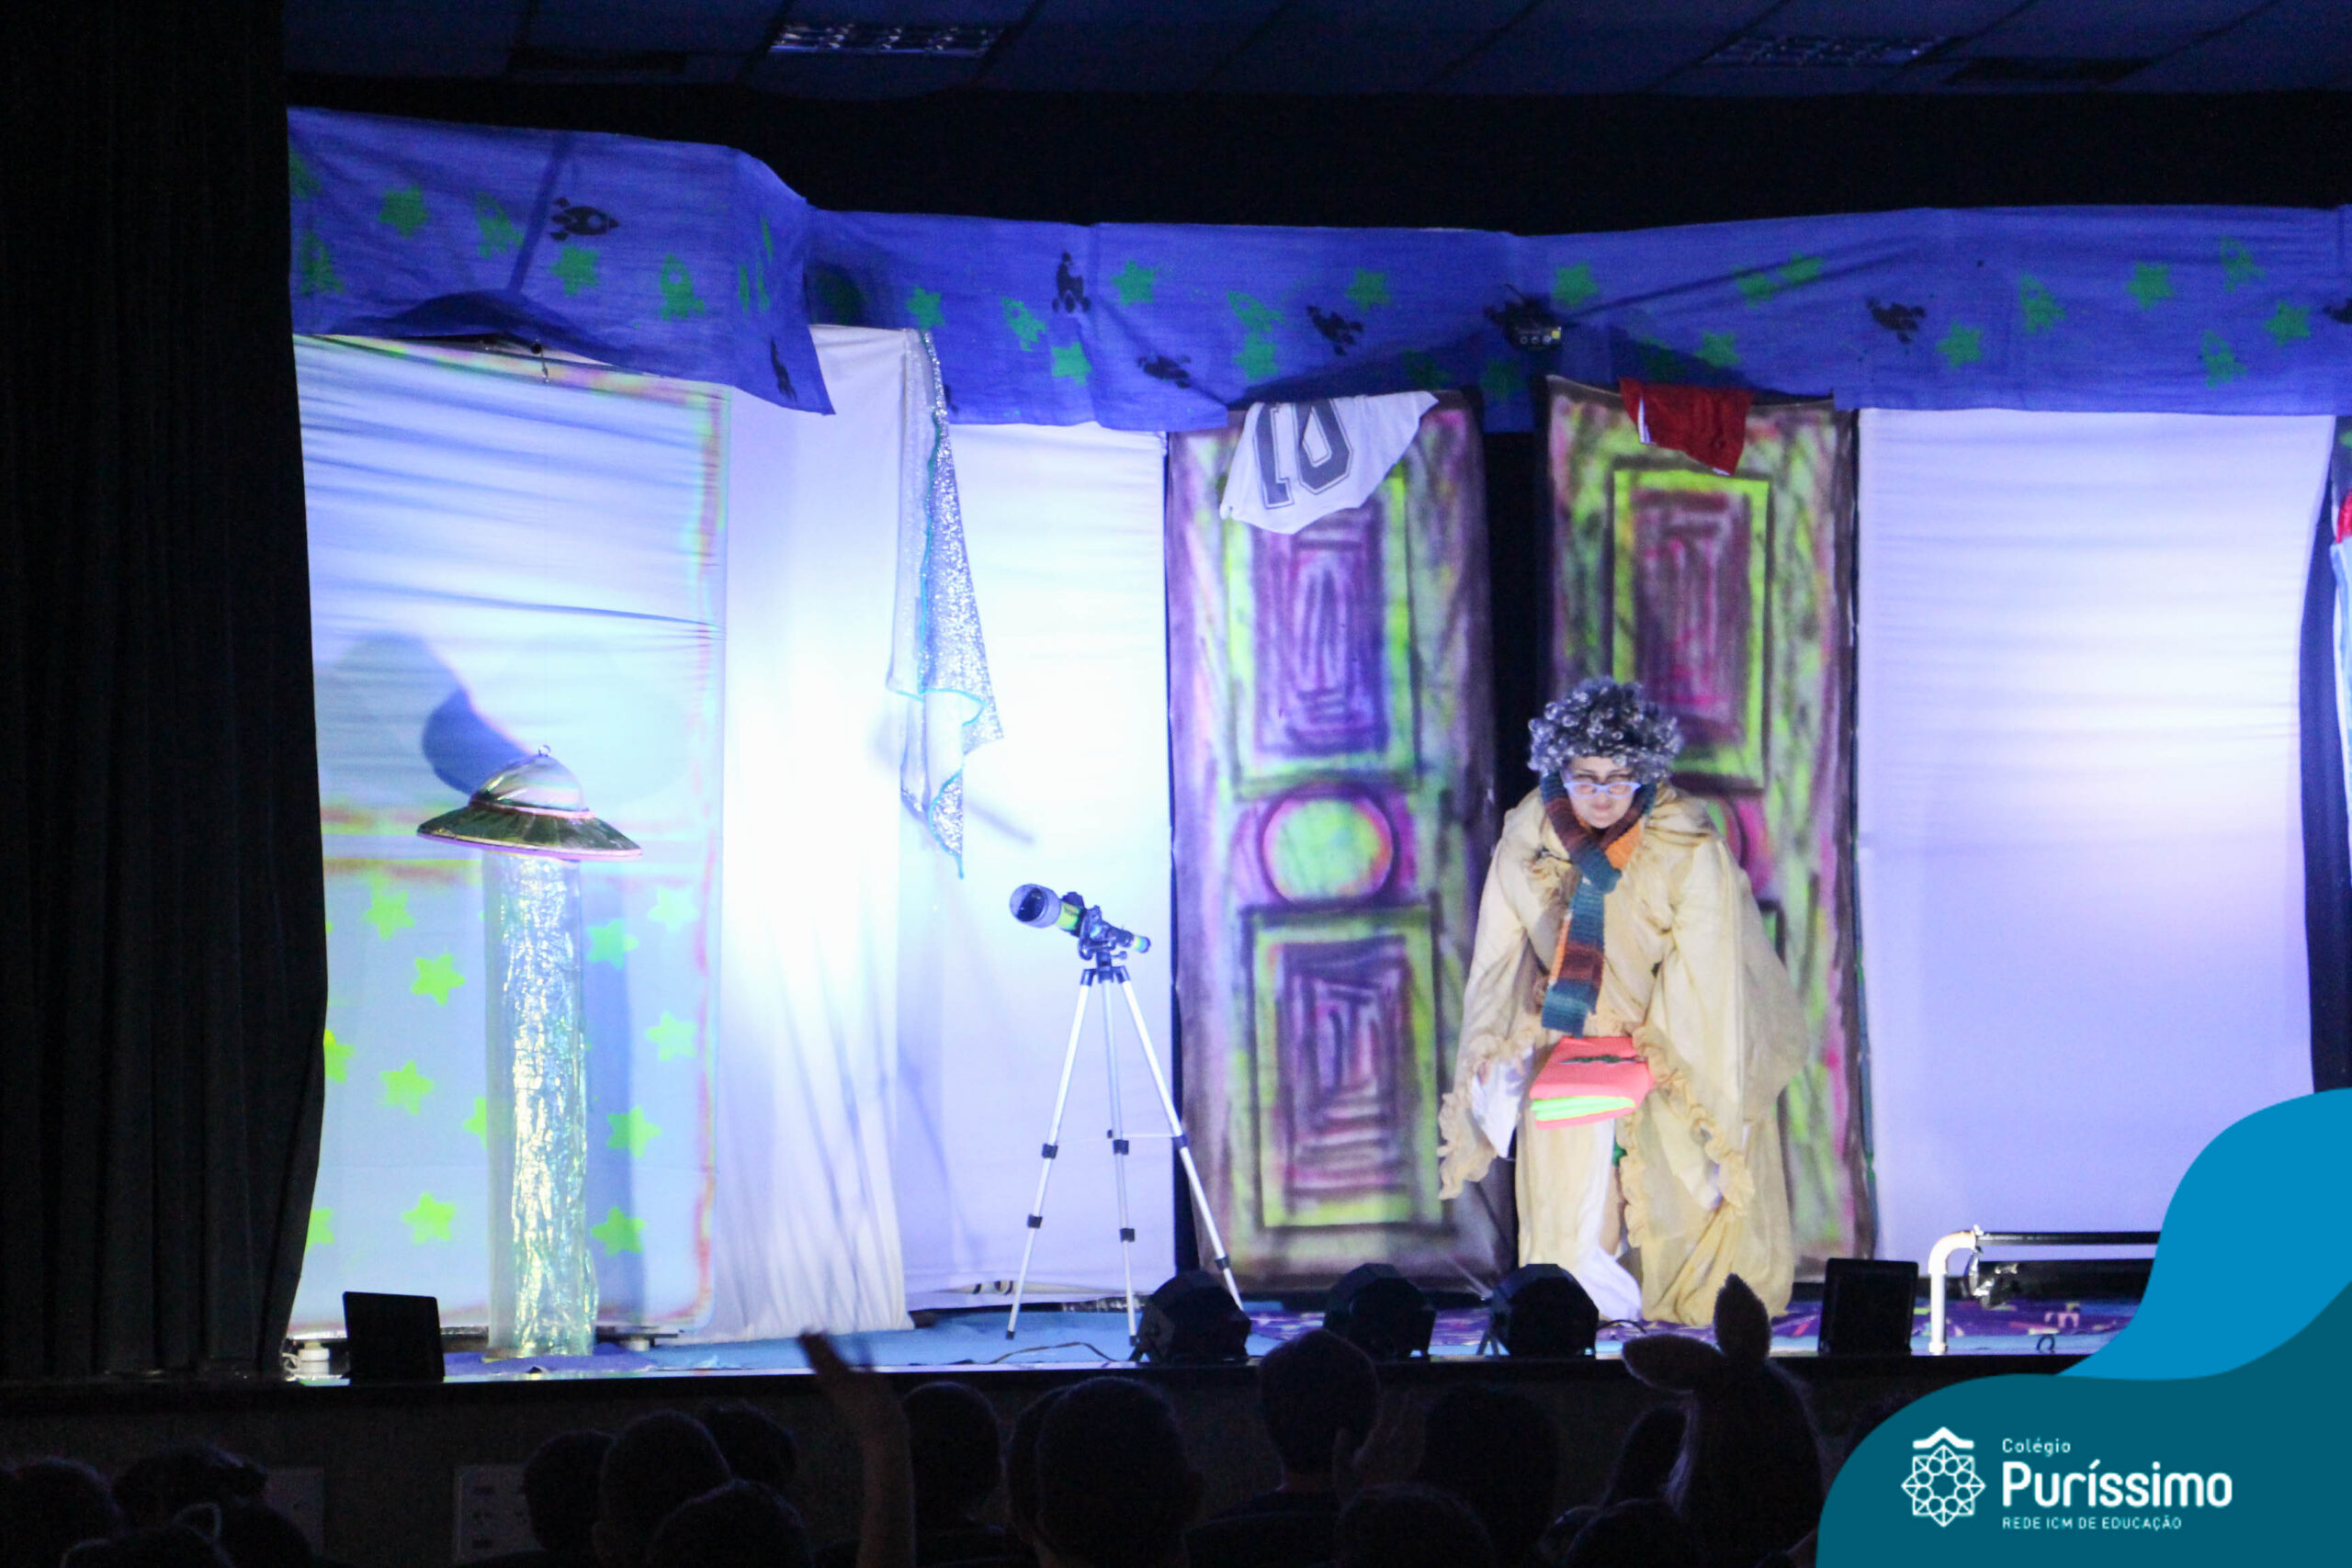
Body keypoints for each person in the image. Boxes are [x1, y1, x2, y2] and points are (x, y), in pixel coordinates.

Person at [1437, 678, 1806, 1325]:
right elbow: (1499, 952)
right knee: (1570, 1209)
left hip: (1660, 1038)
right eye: (1585, 778)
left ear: (1646, 773)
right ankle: (1582, 1315)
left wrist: (1656, 1053)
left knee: (1676, 1183)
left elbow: (1709, 970)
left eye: (1619, 778)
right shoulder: (1529, 831)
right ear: (1560, 771)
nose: (1603, 795)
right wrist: (1495, 1042)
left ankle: (1670, 1302)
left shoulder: (1683, 840)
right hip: (1565, 1035)